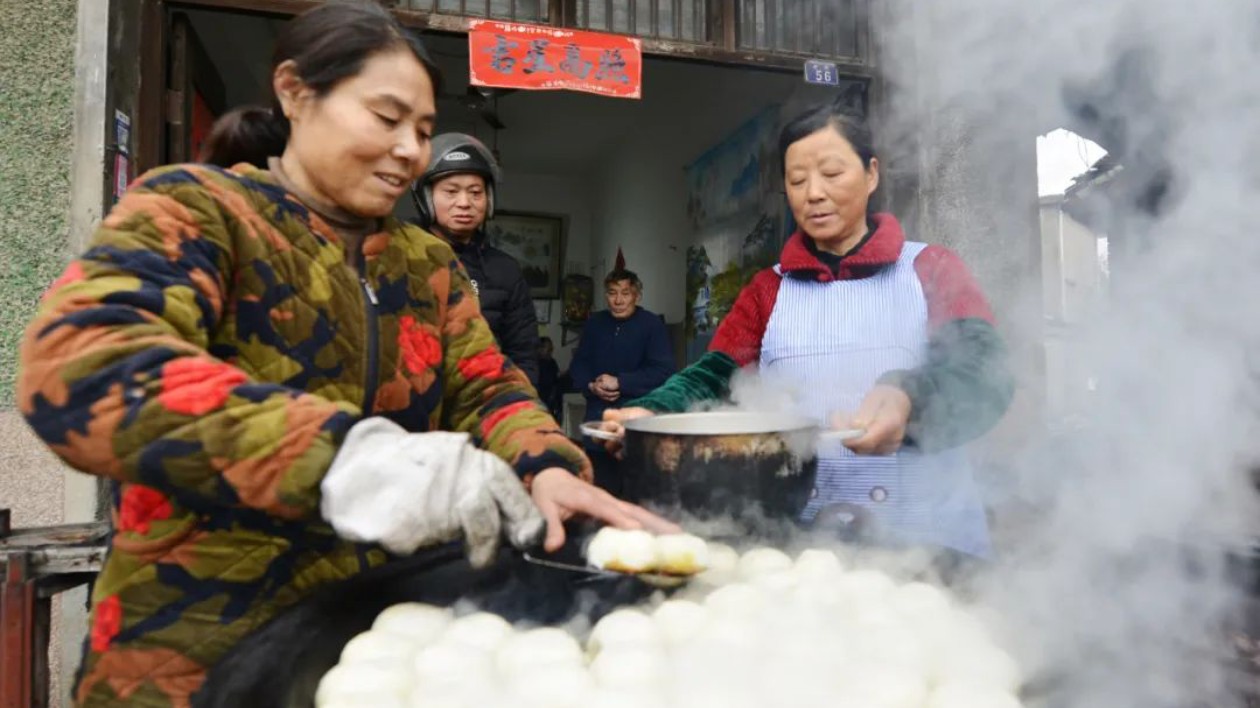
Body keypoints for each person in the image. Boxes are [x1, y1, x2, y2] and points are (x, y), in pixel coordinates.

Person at [16, 6, 673, 705]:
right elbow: (82, 363)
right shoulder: (199, 212)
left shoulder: (426, 263)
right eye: (386, 118)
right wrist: (348, 460)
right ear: (296, 93)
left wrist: (546, 462)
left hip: (378, 630)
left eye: (421, 132)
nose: (409, 151)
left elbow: (487, 386)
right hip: (196, 633)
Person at [604, 104, 1014, 557]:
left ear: (871, 174)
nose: (813, 194)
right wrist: (654, 412)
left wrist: (911, 399)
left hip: (930, 539)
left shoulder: (929, 268)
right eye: (797, 181)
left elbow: (985, 371)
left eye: (832, 173)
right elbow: (713, 378)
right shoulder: (767, 289)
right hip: (802, 536)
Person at [410, 133, 541, 384]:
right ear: (427, 198)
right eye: (451, 191)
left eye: (475, 192)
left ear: (488, 199)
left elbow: (524, 353)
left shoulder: (506, 270)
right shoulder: (400, 254)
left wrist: (515, 408)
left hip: (487, 405)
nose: (464, 203)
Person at [570, 269, 676, 494]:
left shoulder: (651, 325)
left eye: (625, 293)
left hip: (636, 429)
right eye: (612, 293)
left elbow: (664, 371)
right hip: (598, 429)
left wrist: (621, 382)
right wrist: (591, 385)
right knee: (599, 496)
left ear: (637, 295)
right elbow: (578, 366)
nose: (618, 300)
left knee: (636, 497)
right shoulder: (595, 324)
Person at [536, 336, 563, 417]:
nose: (549, 351)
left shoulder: (552, 362)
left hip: (551, 399)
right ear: (539, 348)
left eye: (550, 348)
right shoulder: (535, 364)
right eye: (546, 348)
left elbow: (555, 379)